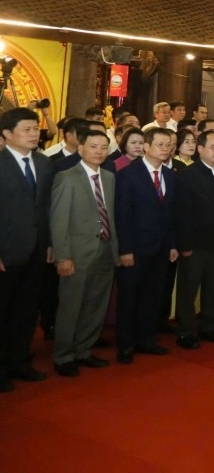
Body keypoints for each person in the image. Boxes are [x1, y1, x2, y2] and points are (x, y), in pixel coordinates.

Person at [49, 129, 117, 376]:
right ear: (80, 148)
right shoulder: (67, 178)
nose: (99, 151)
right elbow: (59, 221)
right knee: (71, 306)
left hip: (106, 250)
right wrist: (63, 256)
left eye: (103, 147)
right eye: (93, 146)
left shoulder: (109, 177)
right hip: (77, 254)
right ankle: (63, 356)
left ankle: (84, 350)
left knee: (96, 304)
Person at [114, 127, 178, 363]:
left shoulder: (170, 175)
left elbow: (171, 215)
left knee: (153, 295)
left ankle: (147, 339)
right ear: (146, 147)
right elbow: (122, 215)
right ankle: (126, 344)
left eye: (168, 145)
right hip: (135, 249)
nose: (165, 149)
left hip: (160, 248)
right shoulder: (128, 174)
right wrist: (125, 249)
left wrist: (172, 245)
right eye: (160, 144)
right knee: (129, 297)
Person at [0, 107, 54, 391]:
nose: (35, 134)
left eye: (36, 128)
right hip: (6, 251)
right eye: (27, 130)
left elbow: (46, 208)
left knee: (26, 311)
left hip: (36, 250)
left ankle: (20, 362)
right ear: (7, 134)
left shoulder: (44, 163)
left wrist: (50, 243)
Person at [174, 130, 214, 348]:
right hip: (194, 243)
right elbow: (181, 213)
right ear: (200, 149)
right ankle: (185, 331)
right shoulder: (187, 175)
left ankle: (208, 326)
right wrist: (184, 244)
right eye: (213, 147)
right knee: (189, 289)